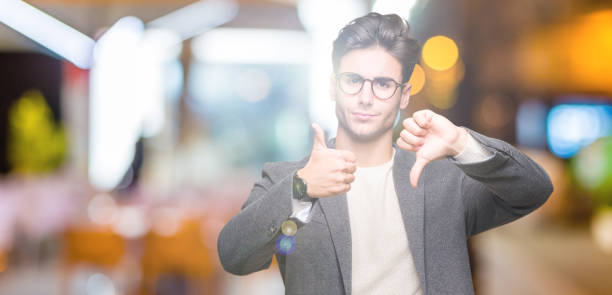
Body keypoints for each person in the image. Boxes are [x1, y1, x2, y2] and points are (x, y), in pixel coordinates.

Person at [217, 12, 553, 295]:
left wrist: (462, 142)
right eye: (353, 80)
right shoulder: (288, 179)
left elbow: (534, 190)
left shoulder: (444, 182)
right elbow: (235, 257)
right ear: (332, 86)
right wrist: (300, 189)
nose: (366, 97)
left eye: (382, 83)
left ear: (404, 95)